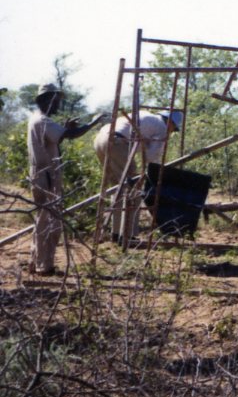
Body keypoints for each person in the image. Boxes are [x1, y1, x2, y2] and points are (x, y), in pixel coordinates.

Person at [26, 84, 104, 275]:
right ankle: (44, 266)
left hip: (41, 175)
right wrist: (93, 123)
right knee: (49, 223)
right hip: (46, 177)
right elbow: (71, 135)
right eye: (55, 101)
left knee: (43, 220)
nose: (57, 106)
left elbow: (57, 138)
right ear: (45, 100)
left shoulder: (38, 120)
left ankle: (36, 262)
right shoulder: (43, 121)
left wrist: (65, 129)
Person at [92, 109, 184, 242]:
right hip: (118, 142)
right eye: (174, 128)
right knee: (134, 188)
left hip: (101, 139)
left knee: (118, 188)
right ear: (170, 122)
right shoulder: (162, 128)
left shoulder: (146, 115)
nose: (171, 131)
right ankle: (128, 235)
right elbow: (152, 158)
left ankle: (116, 233)